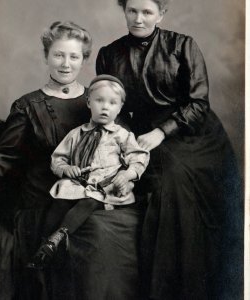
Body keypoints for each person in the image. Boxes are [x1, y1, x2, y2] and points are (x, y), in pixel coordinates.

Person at [0, 21, 144, 300]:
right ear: (46, 56)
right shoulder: (28, 105)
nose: (65, 64)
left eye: (74, 56)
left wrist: (126, 176)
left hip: (99, 197)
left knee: (123, 230)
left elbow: (127, 148)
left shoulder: (102, 99)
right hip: (46, 201)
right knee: (94, 234)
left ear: (84, 60)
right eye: (58, 55)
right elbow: (5, 154)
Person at [96, 0, 243, 299]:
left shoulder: (183, 46)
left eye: (147, 12)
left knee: (171, 183)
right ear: (124, 10)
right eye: (132, 10)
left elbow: (199, 103)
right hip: (140, 134)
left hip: (193, 135)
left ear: (161, 14)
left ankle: (179, 290)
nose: (139, 18)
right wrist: (124, 141)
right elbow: (113, 106)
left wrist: (162, 132)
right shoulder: (109, 54)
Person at [28, 74, 149, 269]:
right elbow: (57, 159)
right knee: (58, 202)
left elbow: (139, 157)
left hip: (105, 187)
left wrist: (127, 175)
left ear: (120, 108)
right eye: (99, 100)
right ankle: (44, 247)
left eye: (112, 103)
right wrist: (67, 168)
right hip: (78, 183)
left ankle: (57, 237)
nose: (105, 107)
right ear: (88, 102)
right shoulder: (77, 133)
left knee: (89, 201)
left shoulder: (122, 135)